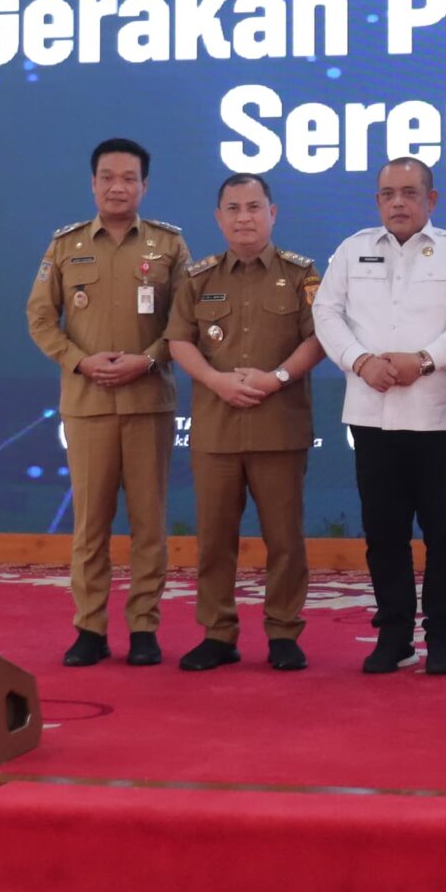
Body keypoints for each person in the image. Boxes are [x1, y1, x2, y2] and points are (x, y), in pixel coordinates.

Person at [311, 157, 446, 675]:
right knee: (384, 532)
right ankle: (394, 633)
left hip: (440, 416)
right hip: (372, 415)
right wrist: (361, 361)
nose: (398, 203)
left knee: (445, 534)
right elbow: (326, 313)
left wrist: (425, 360)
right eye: (388, 193)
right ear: (377, 201)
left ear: (431, 200)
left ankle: (442, 637)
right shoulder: (352, 249)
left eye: (410, 193)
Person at [27, 138, 191, 669]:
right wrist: (79, 361)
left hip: (149, 403)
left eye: (129, 178)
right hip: (88, 402)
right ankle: (89, 628)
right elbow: (40, 318)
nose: (117, 186)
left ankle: (144, 627)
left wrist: (148, 360)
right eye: (107, 177)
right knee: (90, 525)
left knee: (149, 523)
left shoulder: (169, 246)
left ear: (144, 185)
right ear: (93, 183)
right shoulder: (65, 245)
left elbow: (183, 323)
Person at [164, 174, 326, 672]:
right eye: (233, 208)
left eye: (254, 207)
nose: (243, 217)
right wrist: (216, 381)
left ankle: (283, 632)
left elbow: (318, 340)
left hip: (279, 428)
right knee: (214, 540)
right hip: (216, 429)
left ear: (272, 213)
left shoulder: (302, 275)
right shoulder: (198, 278)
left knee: (285, 539)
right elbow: (178, 341)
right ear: (218, 218)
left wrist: (276, 378)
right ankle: (218, 633)